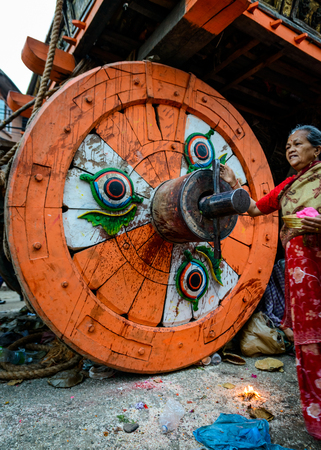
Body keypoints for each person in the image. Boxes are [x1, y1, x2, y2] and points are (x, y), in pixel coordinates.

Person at [220, 124, 321, 440]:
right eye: (288, 144)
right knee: (310, 342)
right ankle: (317, 418)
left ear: (317, 150)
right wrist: (234, 184)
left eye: (298, 144)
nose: (291, 149)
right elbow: (253, 208)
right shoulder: (288, 186)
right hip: (302, 275)